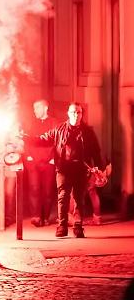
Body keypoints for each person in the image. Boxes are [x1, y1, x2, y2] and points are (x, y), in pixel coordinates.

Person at [35, 102, 102, 238]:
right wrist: (26, 138)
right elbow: (44, 139)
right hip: (64, 168)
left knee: (78, 198)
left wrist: (99, 168)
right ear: (68, 113)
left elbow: (96, 151)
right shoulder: (59, 129)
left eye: (78, 112)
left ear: (82, 114)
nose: (76, 115)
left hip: (81, 169)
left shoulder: (88, 131)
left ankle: (78, 226)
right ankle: (62, 226)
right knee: (63, 197)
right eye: (73, 112)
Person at [24, 99, 59, 227]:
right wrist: (28, 156)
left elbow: (58, 141)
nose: (35, 111)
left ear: (45, 108)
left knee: (48, 191)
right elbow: (26, 139)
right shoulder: (31, 123)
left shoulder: (54, 123)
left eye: (37, 107)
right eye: (34, 108)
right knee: (34, 188)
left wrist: (54, 158)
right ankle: (36, 216)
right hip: (33, 161)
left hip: (49, 162)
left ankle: (45, 216)